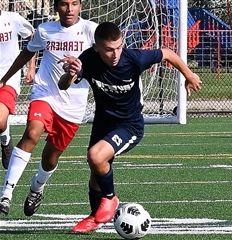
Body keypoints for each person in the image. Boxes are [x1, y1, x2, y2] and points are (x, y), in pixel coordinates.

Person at [58, 22, 202, 233]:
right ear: (97, 47)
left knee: (96, 156)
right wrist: (71, 74)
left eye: (118, 47)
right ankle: (95, 218)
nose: (115, 53)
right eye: (108, 49)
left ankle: (110, 199)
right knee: (96, 171)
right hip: (103, 123)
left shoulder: (133, 57)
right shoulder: (87, 59)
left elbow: (167, 53)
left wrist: (188, 74)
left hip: (130, 125)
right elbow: (63, 85)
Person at [0, 0, 97, 217]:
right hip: (44, 93)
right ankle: (6, 192)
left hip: (73, 104)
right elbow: (26, 53)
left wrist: (81, 67)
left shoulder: (90, 30)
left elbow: (108, 55)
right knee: (32, 132)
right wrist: (5, 79)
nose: (69, 9)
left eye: (74, 4)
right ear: (56, 7)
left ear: (80, 6)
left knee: (50, 157)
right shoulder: (45, 30)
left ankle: (37, 188)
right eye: (64, 4)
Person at [0, 9, 35, 170]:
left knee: (0, 120)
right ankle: (5, 137)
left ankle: (5, 142)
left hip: (9, 76)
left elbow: (31, 38)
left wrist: (31, 67)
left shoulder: (12, 19)